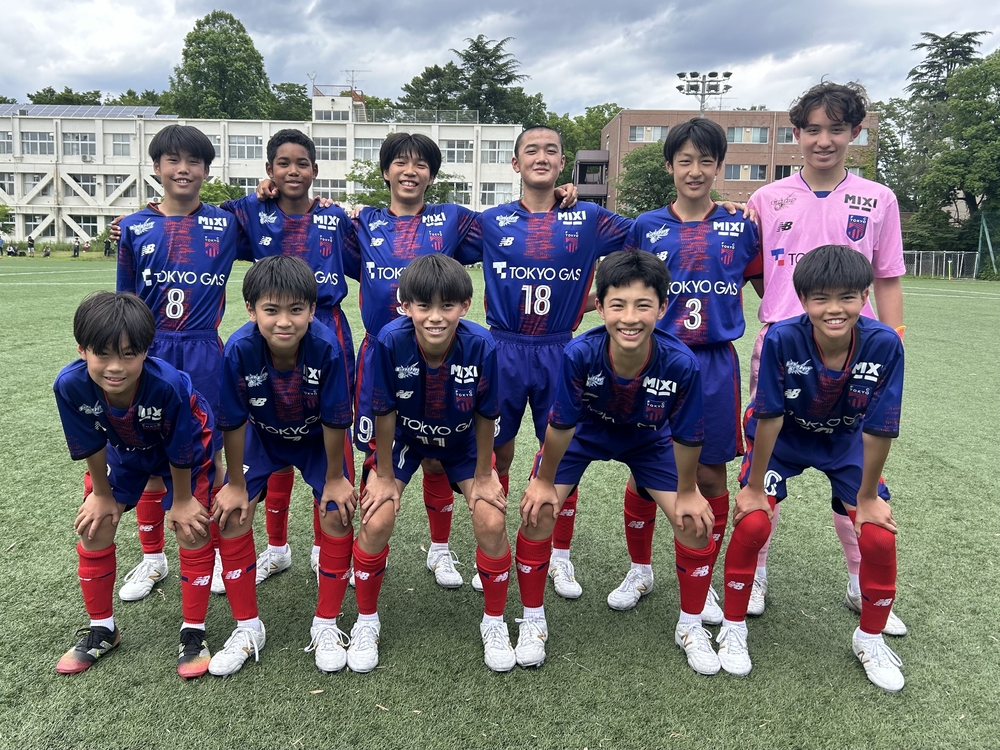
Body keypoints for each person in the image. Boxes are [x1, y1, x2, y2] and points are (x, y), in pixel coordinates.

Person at [744, 82, 907, 634]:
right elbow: (751, 268)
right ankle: (755, 571)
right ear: (796, 133)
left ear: (854, 133)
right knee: (766, 456)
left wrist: (894, 339)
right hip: (782, 347)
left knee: (855, 463)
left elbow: (887, 276)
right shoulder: (766, 199)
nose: (824, 140)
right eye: (812, 129)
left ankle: (861, 579)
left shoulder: (879, 198)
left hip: (855, 351)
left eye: (836, 129)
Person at [518, 250, 718, 675]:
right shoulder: (580, 353)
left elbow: (687, 436)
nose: (630, 317)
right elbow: (561, 423)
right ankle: (532, 619)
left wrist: (687, 491)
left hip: (648, 439)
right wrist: (544, 481)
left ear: (662, 308)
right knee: (538, 511)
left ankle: (690, 625)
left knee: (693, 523)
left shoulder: (681, 362)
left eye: (643, 305)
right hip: (586, 434)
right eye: (618, 305)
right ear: (600, 306)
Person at [718, 244, 905, 691]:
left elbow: (880, 426)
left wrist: (866, 498)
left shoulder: (885, 343)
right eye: (821, 298)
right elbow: (768, 415)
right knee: (753, 522)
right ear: (803, 300)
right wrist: (754, 487)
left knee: (878, 535)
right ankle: (733, 625)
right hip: (783, 440)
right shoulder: (782, 338)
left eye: (847, 297)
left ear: (865, 296)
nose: (834, 309)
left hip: (844, 441)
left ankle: (869, 637)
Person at [467, 125, 633, 600]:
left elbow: (653, 232)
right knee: (496, 451)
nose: (541, 157)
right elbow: (424, 229)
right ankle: (493, 542)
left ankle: (559, 554)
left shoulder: (588, 218)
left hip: (561, 350)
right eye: (531, 151)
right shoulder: (490, 221)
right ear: (515, 163)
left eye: (551, 151)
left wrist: (720, 211)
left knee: (560, 452)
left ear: (563, 164)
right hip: (503, 348)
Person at [616, 118, 761, 623]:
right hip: (654, 358)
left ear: (719, 166)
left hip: (714, 363)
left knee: (709, 472)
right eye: (685, 161)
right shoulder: (645, 226)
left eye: (706, 161)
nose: (695, 171)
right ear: (669, 167)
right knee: (644, 468)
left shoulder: (742, 226)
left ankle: (704, 575)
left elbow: (772, 290)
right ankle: (640, 569)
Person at [354, 253, 511, 672]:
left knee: (491, 521)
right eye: (424, 306)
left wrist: (484, 475)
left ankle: (494, 622)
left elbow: (486, 413)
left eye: (447, 306)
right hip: (405, 438)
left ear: (465, 305)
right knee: (376, 519)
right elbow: (383, 409)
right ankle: (366, 621)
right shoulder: (390, 341)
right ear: (405, 306)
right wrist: (383, 475)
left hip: (461, 442)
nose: (436, 317)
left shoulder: (482, 345)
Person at [53, 292, 217, 678]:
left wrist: (181, 500)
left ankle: (193, 631)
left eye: (129, 354)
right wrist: (101, 495)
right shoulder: (69, 385)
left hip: (186, 448)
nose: (115, 367)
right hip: (125, 448)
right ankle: (102, 630)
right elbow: (89, 443)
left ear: (146, 351)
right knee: (94, 525)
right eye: (102, 354)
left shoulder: (168, 385)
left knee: (191, 527)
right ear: (82, 350)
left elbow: (181, 447)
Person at [221, 128, 357, 587]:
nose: (292, 171)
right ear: (269, 170)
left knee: (327, 422)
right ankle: (277, 549)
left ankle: (324, 547)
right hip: (274, 331)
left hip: (325, 328)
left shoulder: (334, 217)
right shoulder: (251, 211)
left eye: (302, 164)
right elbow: (199, 217)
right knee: (271, 424)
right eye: (283, 163)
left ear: (316, 171)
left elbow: (369, 250)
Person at [116, 124, 245, 603]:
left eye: (194, 161)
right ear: (156, 167)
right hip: (149, 352)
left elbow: (271, 216)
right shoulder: (133, 227)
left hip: (203, 350)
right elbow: (125, 303)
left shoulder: (227, 223)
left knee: (208, 454)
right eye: (172, 160)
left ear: (207, 170)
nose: (183, 169)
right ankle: (153, 558)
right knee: (147, 454)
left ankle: (216, 553)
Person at [212, 255, 354, 674]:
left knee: (337, 511)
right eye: (271, 310)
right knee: (232, 515)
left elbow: (335, 420)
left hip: (316, 441)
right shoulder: (239, 349)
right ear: (251, 310)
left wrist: (334, 478)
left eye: (296, 310)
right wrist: (235, 483)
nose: (284, 322)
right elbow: (232, 421)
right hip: (263, 437)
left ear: (312, 310)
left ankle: (326, 623)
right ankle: (247, 627)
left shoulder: (326, 348)